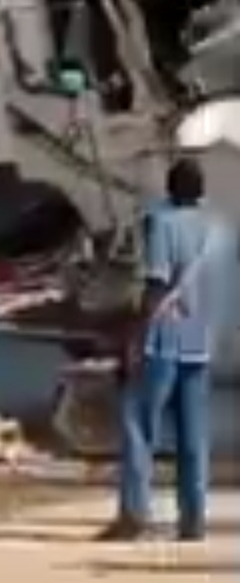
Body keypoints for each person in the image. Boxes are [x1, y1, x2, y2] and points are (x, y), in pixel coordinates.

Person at [103, 158, 235, 542]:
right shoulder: (220, 229)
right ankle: (192, 521)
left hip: (163, 340)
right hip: (202, 343)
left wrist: (136, 337)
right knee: (194, 436)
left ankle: (134, 514)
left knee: (137, 422)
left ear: (170, 189)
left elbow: (157, 283)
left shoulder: (162, 223)